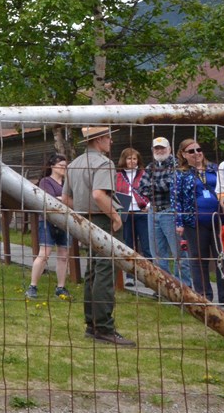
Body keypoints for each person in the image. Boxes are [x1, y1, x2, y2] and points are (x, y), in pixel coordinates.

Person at [64, 126, 133, 346]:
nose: (111, 142)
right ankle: (104, 327)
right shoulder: (104, 163)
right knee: (105, 271)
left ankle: (91, 324)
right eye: (109, 138)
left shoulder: (74, 164)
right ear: (100, 139)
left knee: (92, 270)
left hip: (84, 220)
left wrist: (84, 211)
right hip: (103, 221)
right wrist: (115, 217)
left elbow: (65, 199)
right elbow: (99, 194)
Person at [172, 138, 224, 305]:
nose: (197, 153)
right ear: (183, 154)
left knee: (222, 257)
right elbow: (176, 199)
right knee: (198, 259)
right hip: (194, 222)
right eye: (191, 151)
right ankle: (204, 297)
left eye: (199, 149)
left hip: (218, 219)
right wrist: (179, 222)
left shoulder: (214, 168)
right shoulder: (181, 173)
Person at [141, 137, 189, 285]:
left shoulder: (176, 164)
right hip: (153, 212)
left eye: (162, 148)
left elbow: (171, 185)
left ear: (169, 149)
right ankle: (165, 287)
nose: (159, 151)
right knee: (157, 253)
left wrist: (153, 186)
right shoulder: (150, 166)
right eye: (157, 148)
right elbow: (141, 187)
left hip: (170, 211)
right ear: (152, 150)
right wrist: (158, 186)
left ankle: (184, 286)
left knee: (178, 252)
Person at [27, 153, 71, 300]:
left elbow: (68, 200)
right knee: (44, 254)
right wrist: (64, 200)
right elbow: (49, 200)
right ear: (52, 166)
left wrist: (62, 200)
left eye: (65, 166)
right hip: (47, 221)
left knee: (64, 255)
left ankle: (60, 287)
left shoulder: (67, 183)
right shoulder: (46, 181)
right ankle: (32, 286)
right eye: (61, 165)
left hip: (65, 222)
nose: (64, 168)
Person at [115, 147, 152, 285]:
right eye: (129, 158)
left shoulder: (144, 173)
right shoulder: (118, 175)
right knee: (129, 245)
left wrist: (148, 206)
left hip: (142, 213)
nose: (132, 161)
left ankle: (149, 277)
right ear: (124, 159)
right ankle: (130, 276)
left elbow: (151, 190)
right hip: (125, 214)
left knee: (147, 245)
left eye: (135, 158)